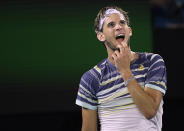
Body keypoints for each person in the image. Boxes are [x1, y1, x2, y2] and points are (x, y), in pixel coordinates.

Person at [76, 6, 167, 131]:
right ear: (101, 36)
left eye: (122, 23)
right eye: (111, 24)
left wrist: (125, 71)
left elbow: (150, 110)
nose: (118, 27)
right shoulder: (91, 78)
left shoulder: (152, 61)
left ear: (129, 31)